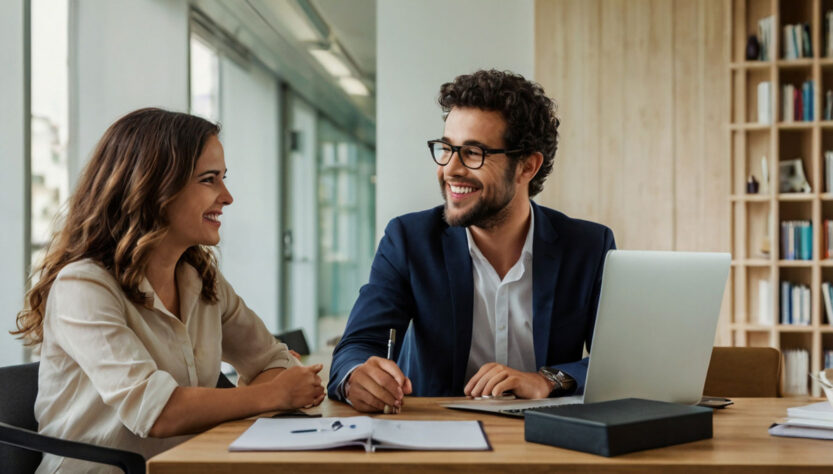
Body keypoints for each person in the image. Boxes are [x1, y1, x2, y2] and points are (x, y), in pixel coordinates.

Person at [13, 108, 325, 473]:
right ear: (154, 186)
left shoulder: (200, 279)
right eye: (209, 180)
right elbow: (154, 411)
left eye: (224, 179)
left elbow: (273, 361)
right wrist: (272, 393)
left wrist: (276, 384)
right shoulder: (83, 286)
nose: (227, 197)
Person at [328, 70, 616, 413]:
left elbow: (621, 360)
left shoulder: (588, 246)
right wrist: (356, 375)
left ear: (527, 167)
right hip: (436, 439)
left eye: (473, 153)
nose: (450, 168)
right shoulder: (408, 239)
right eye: (447, 149)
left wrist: (548, 380)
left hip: (548, 444)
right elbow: (356, 347)